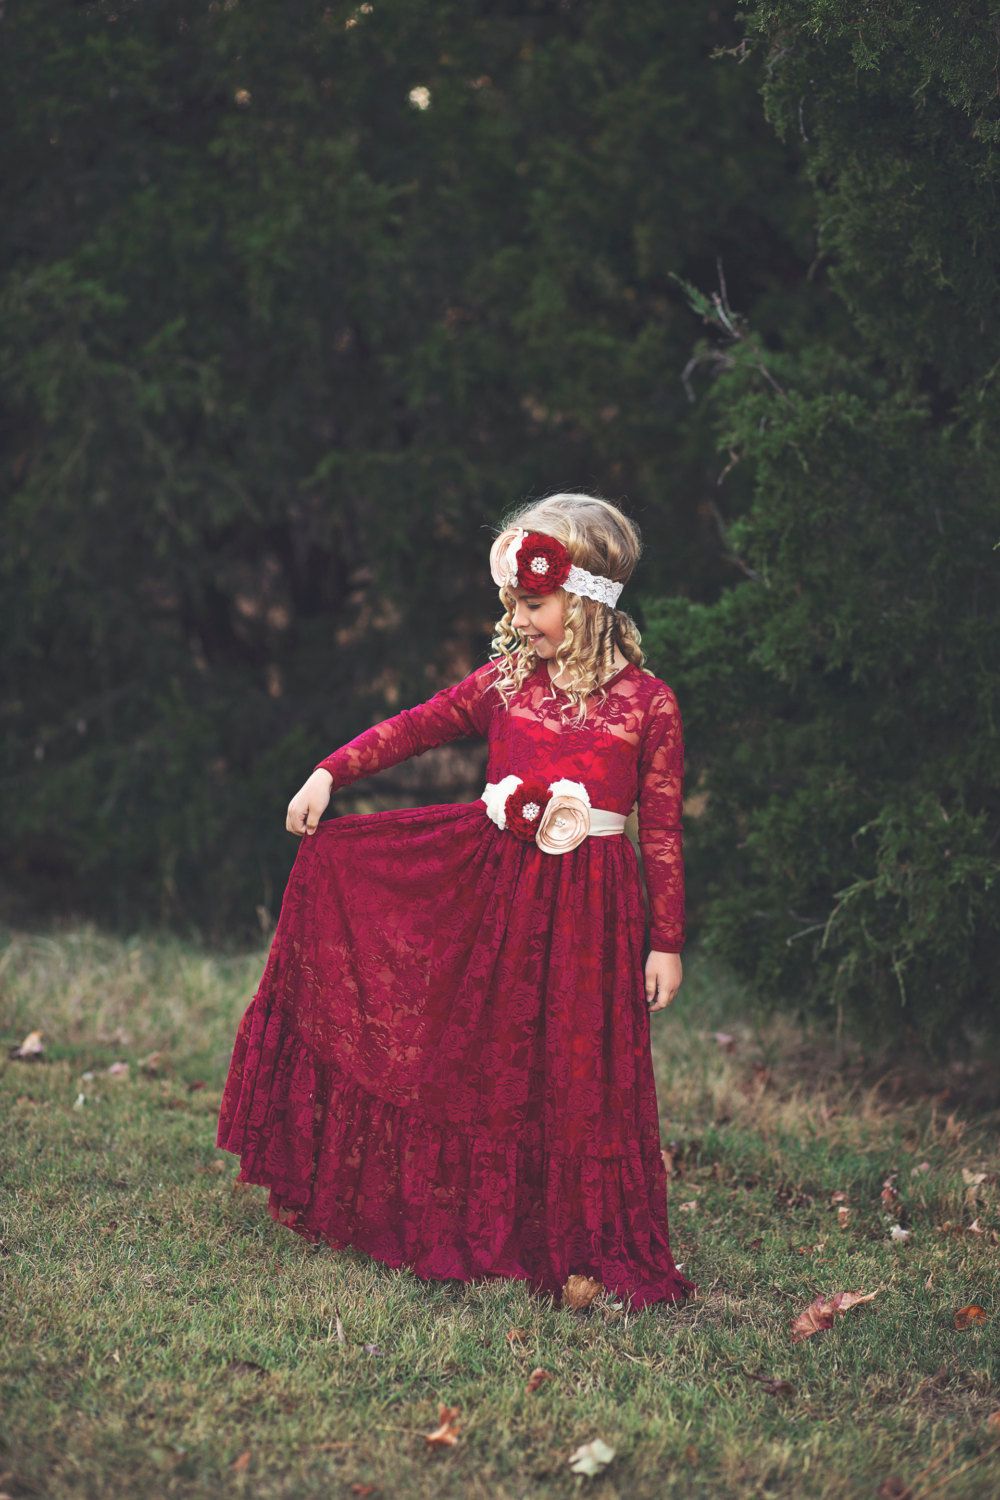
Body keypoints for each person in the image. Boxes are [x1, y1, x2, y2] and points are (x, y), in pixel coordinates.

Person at [216, 492, 697, 1311]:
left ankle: (580, 1240)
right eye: (511, 600)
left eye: (533, 603)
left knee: (580, 1068)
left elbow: (661, 830)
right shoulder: (506, 683)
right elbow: (415, 726)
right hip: (497, 897)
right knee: (484, 1054)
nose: (517, 617)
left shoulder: (648, 704)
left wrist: (666, 939)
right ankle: (465, 1224)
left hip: (592, 916)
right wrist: (330, 771)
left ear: (585, 603)